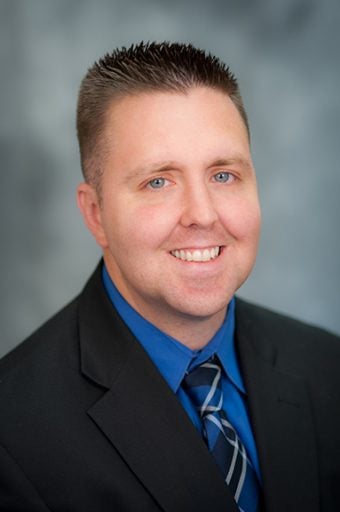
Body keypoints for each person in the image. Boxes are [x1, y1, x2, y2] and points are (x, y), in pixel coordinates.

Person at [0, 42, 339, 512]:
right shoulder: (13, 438)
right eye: (158, 181)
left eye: (223, 175)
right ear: (95, 214)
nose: (202, 215)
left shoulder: (328, 367)